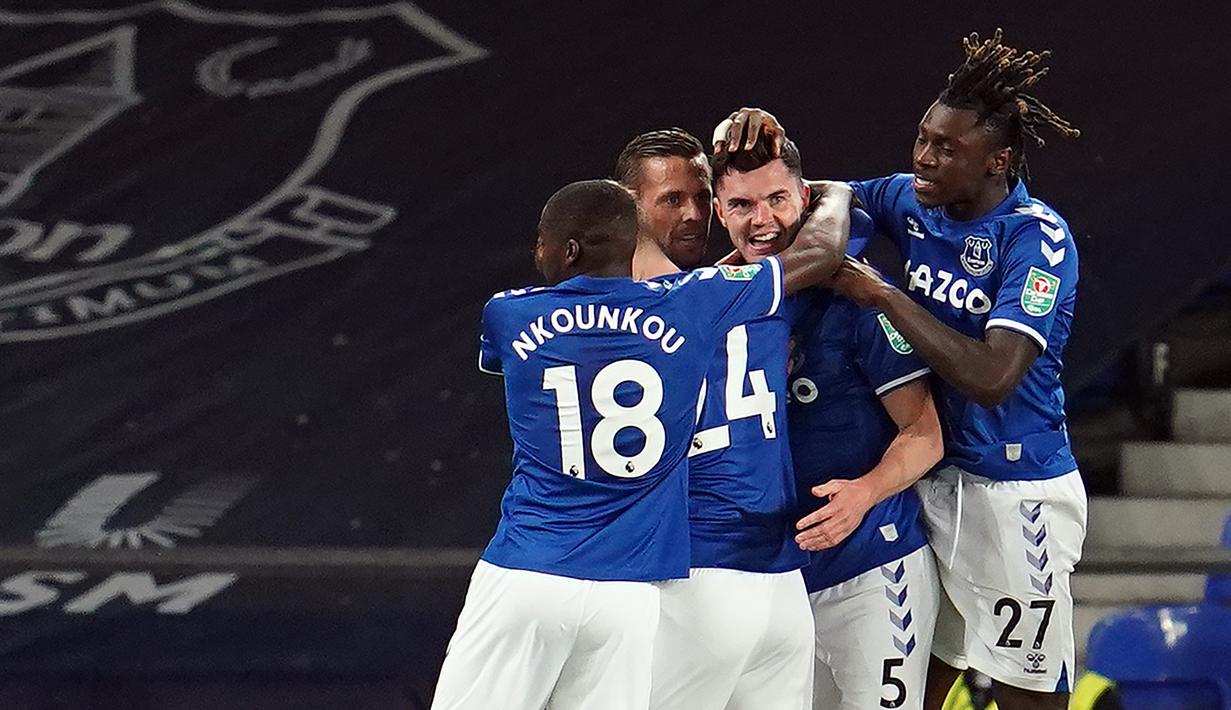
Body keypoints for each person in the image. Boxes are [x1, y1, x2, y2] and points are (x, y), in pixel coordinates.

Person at [716, 29, 1085, 710]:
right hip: (931, 481)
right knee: (929, 680)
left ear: (997, 160)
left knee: (1026, 692)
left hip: (1012, 489)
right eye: (921, 138)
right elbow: (813, 206)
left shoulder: (1036, 239)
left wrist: (884, 295)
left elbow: (993, 375)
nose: (923, 158)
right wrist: (774, 142)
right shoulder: (908, 198)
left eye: (947, 149)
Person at [432, 178, 852, 709]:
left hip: (528, 571)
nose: (535, 251)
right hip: (628, 596)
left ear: (568, 249)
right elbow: (820, 254)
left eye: (542, 240)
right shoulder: (694, 304)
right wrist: (837, 193)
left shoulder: (510, 313)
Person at [613, 128, 714, 278]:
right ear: (629, 206)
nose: (695, 215)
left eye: (702, 197)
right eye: (673, 200)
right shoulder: (596, 298)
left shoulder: (720, 290)